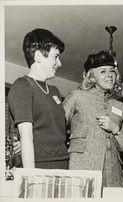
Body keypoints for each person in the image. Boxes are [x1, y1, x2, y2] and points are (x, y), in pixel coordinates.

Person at [63, 50, 123, 187]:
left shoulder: (122, 108)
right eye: (103, 71)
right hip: (82, 170)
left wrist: (116, 130)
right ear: (92, 77)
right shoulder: (77, 97)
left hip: (113, 176)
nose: (109, 75)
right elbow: (55, 125)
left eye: (112, 71)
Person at [8, 28, 69, 169]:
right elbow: (27, 137)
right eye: (56, 57)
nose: (59, 63)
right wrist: (30, 178)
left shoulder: (55, 91)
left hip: (63, 165)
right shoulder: (22, 86)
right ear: (38, 56)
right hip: (39, 167)